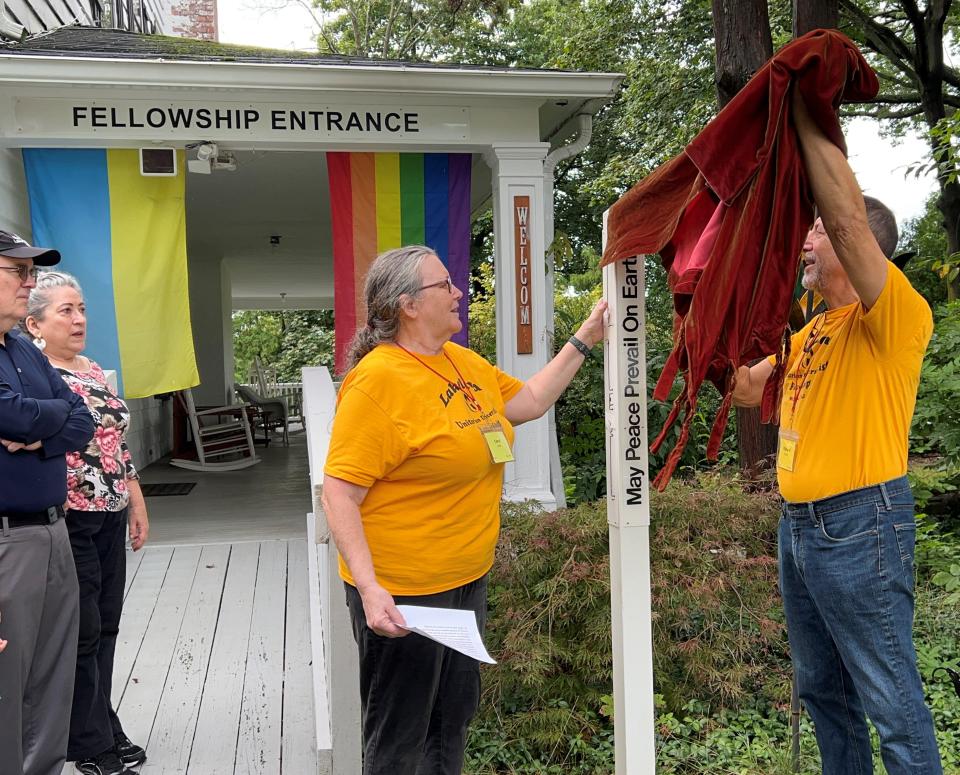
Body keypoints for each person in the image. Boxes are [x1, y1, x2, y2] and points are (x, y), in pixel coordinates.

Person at [322, 245, 606, 774]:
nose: (459, 293)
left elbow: (529, 402)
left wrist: (585, 337)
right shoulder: (378, 380)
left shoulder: (462, 362)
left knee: (450, 723)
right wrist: (369, 587)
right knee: (399, 739)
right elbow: (339, 490)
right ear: (407, 304)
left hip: (465, 579)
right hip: (403, 595)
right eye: (445, 285)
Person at [732, 92, 943, 774]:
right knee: (824, 689)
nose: (806, 241)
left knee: (888, 694)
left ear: (862, 248)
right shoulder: (810, 329)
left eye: (814, 231)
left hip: (862, 525)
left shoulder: (896, 315)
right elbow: (744, 387)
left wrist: (803, 118)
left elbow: (850, 221)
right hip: (801, 528)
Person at [22, 271, 149, 775]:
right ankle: (90, 742)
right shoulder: (35, 374)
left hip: (110, 514)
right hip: (70, 517)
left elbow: (116, 444)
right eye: (65, 311)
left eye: (81, 309)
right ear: (35, 323)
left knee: (109, 625)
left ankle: (103, 724)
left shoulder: (93, 369)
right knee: (83, 632)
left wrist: (136, 501)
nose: (79, 320)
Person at [0, 230, 94, 775]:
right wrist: (39, 418)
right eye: (17, 272)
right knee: (8, 685)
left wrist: (39, 424)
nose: (29, 282)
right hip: (7, 542)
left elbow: (77, 417)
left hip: (54, 533)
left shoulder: (21, 350)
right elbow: (12, 416)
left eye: (31, 272)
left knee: (51, 681)